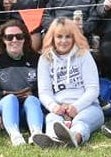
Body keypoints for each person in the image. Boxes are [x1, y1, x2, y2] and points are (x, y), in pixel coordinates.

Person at [33, 18, 103, 148]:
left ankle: (74, 139)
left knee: (81, 121)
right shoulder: (45, 59)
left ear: (74, 37)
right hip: (60, 108)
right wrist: (54, 107)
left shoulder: (84, 55)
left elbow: (93, 89)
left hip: (87, 106)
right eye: (59, 36)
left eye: (68, 37)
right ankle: (54, 141)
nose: (63, 41)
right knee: (52, 119)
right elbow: (44, 91)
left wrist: (76, 107)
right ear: (52, 38)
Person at [0, 19, 42, 145]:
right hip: (5, 109)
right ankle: (15, 135)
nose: (14, 40)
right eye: (9, 37)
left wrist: (33, 95)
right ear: (3, 40)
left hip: (28, 110)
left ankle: (37, 134)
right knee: (10, 99)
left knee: (32, 100)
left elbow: (44, 90)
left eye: (19, 36)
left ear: (25, 38)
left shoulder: (37, 60)